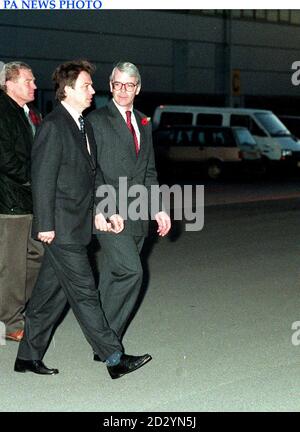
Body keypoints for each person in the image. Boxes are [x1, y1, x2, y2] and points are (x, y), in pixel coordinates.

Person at [14, 60, 151, 379]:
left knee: (50, 294)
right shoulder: (54, 125)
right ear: (68, 90)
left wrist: (100, 214)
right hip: (60, 229)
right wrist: (45, 224)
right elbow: (43, 177)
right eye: (87, 86)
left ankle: (27, 355)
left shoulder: (79, 124)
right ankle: (114, 358)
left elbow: (88, 179)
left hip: (76, 223)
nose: (93, 90)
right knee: (86, 293)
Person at [88, 61, 171, 354]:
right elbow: (92, 170)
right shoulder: (96, 121)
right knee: (132, 272)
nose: (123, 90)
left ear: (138, 88)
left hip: (138, 214)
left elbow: (148, 172)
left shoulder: (144, 122)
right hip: (111, 213)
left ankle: (103, 343)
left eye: (129, 85)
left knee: (113, 275)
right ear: (110, 86)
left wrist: (158, 209)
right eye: (117, 84)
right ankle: (108, 345)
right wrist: (103, 209)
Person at [0, 61, 44, 342]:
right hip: (10, 200)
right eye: (28, 81)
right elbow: (4, 157)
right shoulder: (2, 111)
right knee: (12, 264)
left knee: (37, 256)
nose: (34, 86)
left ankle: (11, 308)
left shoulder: (28, 113)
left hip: (29, 199)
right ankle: (10, 322)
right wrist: (32, 178)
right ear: (9, 83)